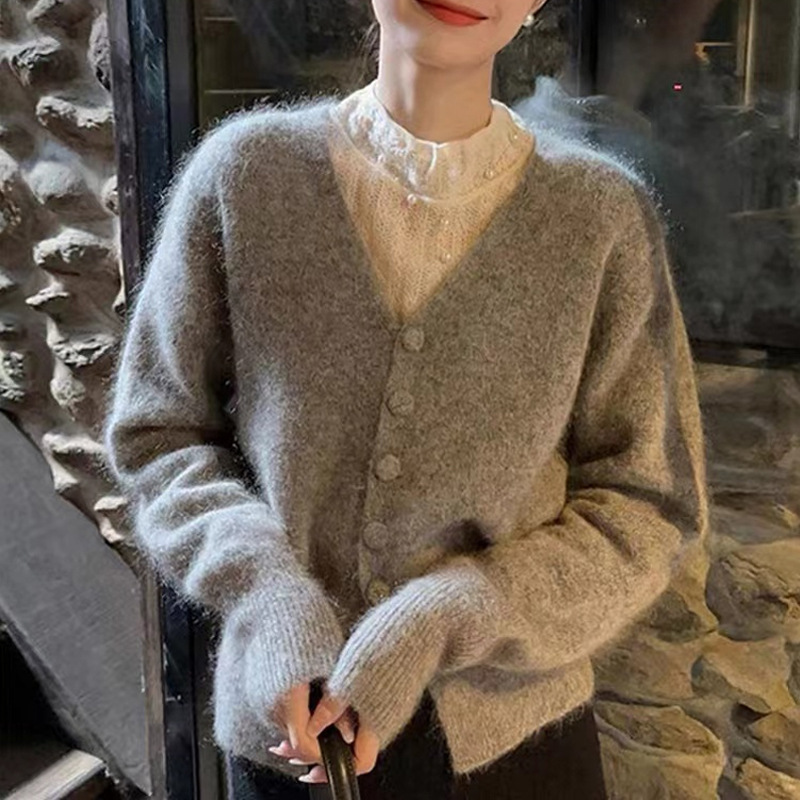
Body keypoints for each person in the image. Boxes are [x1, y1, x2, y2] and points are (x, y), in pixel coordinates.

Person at [102, 0, 710, 798]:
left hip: (516, 750)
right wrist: (270, 598)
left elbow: (649, 504)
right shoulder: (245, 177)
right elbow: (160, 436)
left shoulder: (602, 218)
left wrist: (454, 610)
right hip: (293, 735)